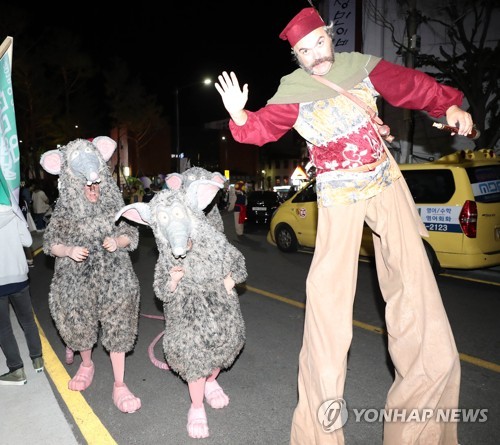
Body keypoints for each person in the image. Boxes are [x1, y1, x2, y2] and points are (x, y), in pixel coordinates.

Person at [215, 7, 469, 444]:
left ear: (330, 36)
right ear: (296, 57)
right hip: (338, 195)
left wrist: (450, 104)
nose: (315, 56)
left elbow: (413, 87)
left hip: (386, 182)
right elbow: (262, 128)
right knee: (327, 313)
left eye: (318, 43)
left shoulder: (362, 68)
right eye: (303, 51)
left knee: (418, 301)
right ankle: (318, 434)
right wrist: (239, 116)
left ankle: (421, 430)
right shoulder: (293, 90)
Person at [41, 136, 141, 414]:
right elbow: (50, 242)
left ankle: (120, 384)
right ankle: (87, 364)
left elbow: (130, 232)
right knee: (78, 318)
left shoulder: (113, 203)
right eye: (88, 185)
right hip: (75, 277)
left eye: (97, 184)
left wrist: (118, 242)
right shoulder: (65, 208)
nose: (93, 189)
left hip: (115, 274)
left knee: (120, 321)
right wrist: (69, 250)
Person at [0, 204, 44, 385]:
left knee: (3, 328)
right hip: (19, 276)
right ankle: (37, 359)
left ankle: (16, 370)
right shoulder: (12, 209)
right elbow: (27, 241)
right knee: (27, 321)